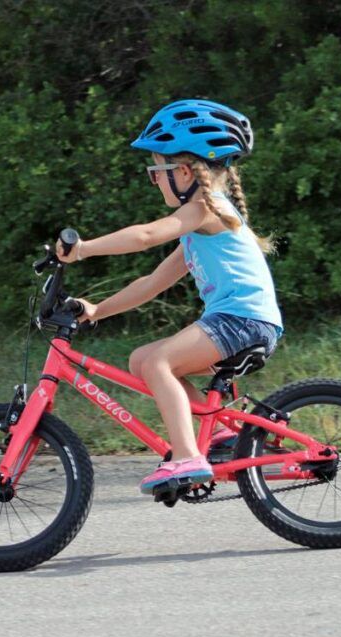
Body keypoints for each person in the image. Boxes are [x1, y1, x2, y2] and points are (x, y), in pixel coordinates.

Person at [55, 99, 283, 495]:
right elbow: (153, 281)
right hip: (239, 321)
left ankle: (187, 456)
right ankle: (223, 433)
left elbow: (145, 236)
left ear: (182, 172)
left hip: (241, 321)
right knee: (142, 360)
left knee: (160, 361)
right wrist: (99, 311)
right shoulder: (199, 229)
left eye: (155, 173)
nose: (154, 181)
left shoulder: (203, 212)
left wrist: (84, 248)